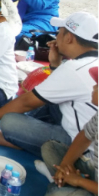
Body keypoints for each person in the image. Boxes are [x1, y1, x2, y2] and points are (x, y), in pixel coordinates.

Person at [0, 12, 98, 156]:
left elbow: (27, 102)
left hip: (83, 147)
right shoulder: (89, 62)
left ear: (69, 38)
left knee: (9, 122)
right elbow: (58, 88)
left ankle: (23, 143)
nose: (56, 37)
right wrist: (55, 64)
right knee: (47, 98)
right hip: (87, 132)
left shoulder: (74, 69)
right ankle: (25, 139)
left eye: (59, 33)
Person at [41, 67, 97, 196]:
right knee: (51, 148)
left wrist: (79, 181)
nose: (94, 87)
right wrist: (66, 164)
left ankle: (60, 185)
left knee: (57, 194)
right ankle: (64, 181)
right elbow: (84, 136)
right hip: (94, 172)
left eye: (98, 85)